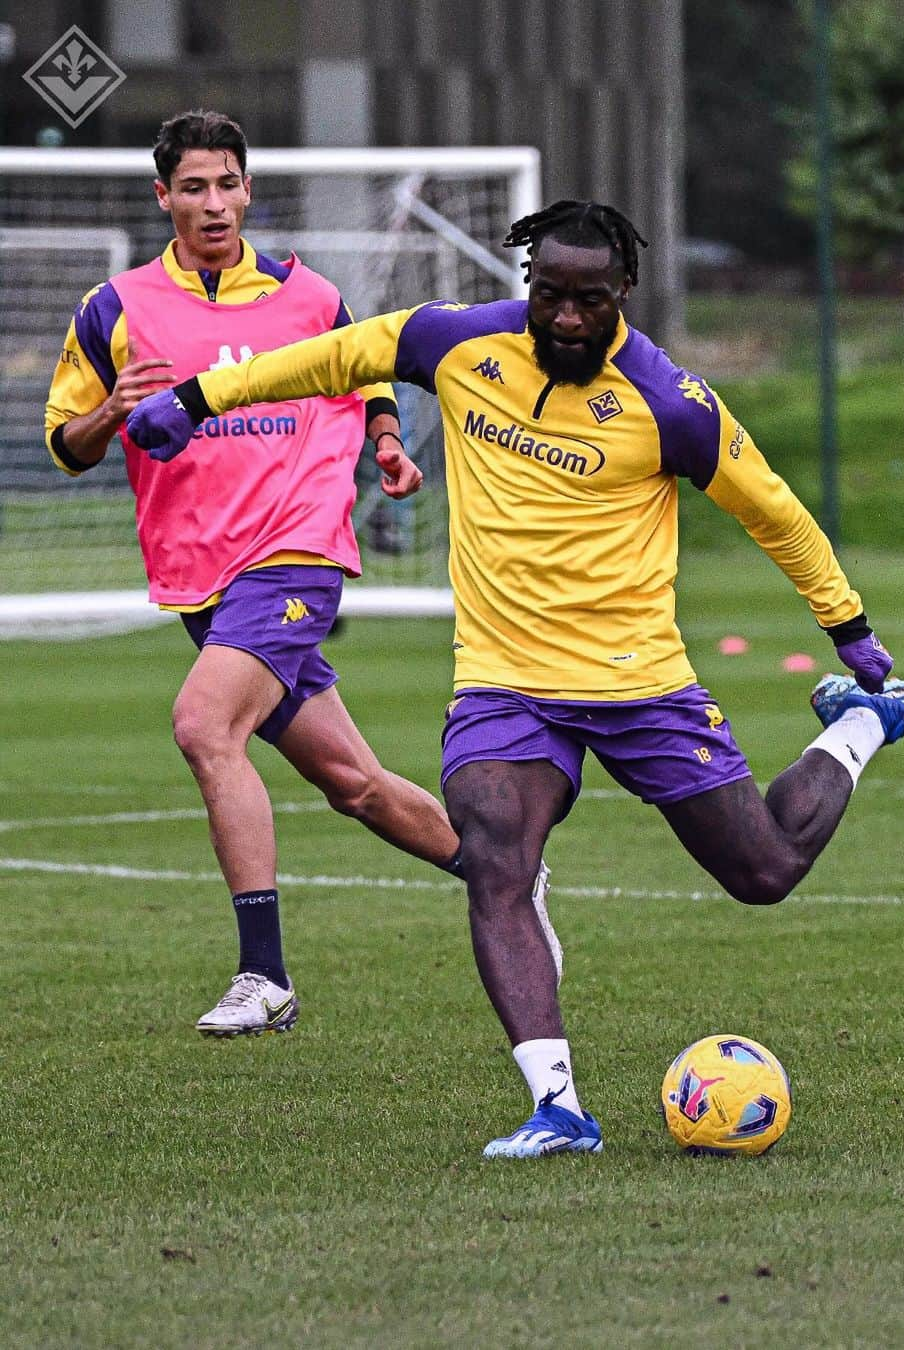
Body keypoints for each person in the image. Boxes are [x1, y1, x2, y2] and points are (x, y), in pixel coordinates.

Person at [128, 199, 904, 1153]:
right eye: (549, 294)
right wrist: (196, 400)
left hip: (639, 681)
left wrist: (849, 630)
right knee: (493, 856)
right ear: (530, 283)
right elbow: (335, 356)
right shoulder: (458, 344)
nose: (564, 316)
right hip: (505, 683)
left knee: (763, 871)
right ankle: (556, 1105)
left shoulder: (670, 403)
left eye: (588, 300)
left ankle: (857, 727)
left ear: (625, 296)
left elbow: (777, 513)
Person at [45, 109, 560, 1039]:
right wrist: (111, 413)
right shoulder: (113, 310)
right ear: (163, 196)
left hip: (295, 553)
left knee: (203, 725)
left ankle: (264, 975)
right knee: (354, 784)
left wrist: (393, 443)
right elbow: (67, 445)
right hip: (203, 581)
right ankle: (504, 873)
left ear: (249, 190)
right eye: (192, 187)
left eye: (227, 184)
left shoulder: (310, 297)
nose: (213, 203)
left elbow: (366, 379)